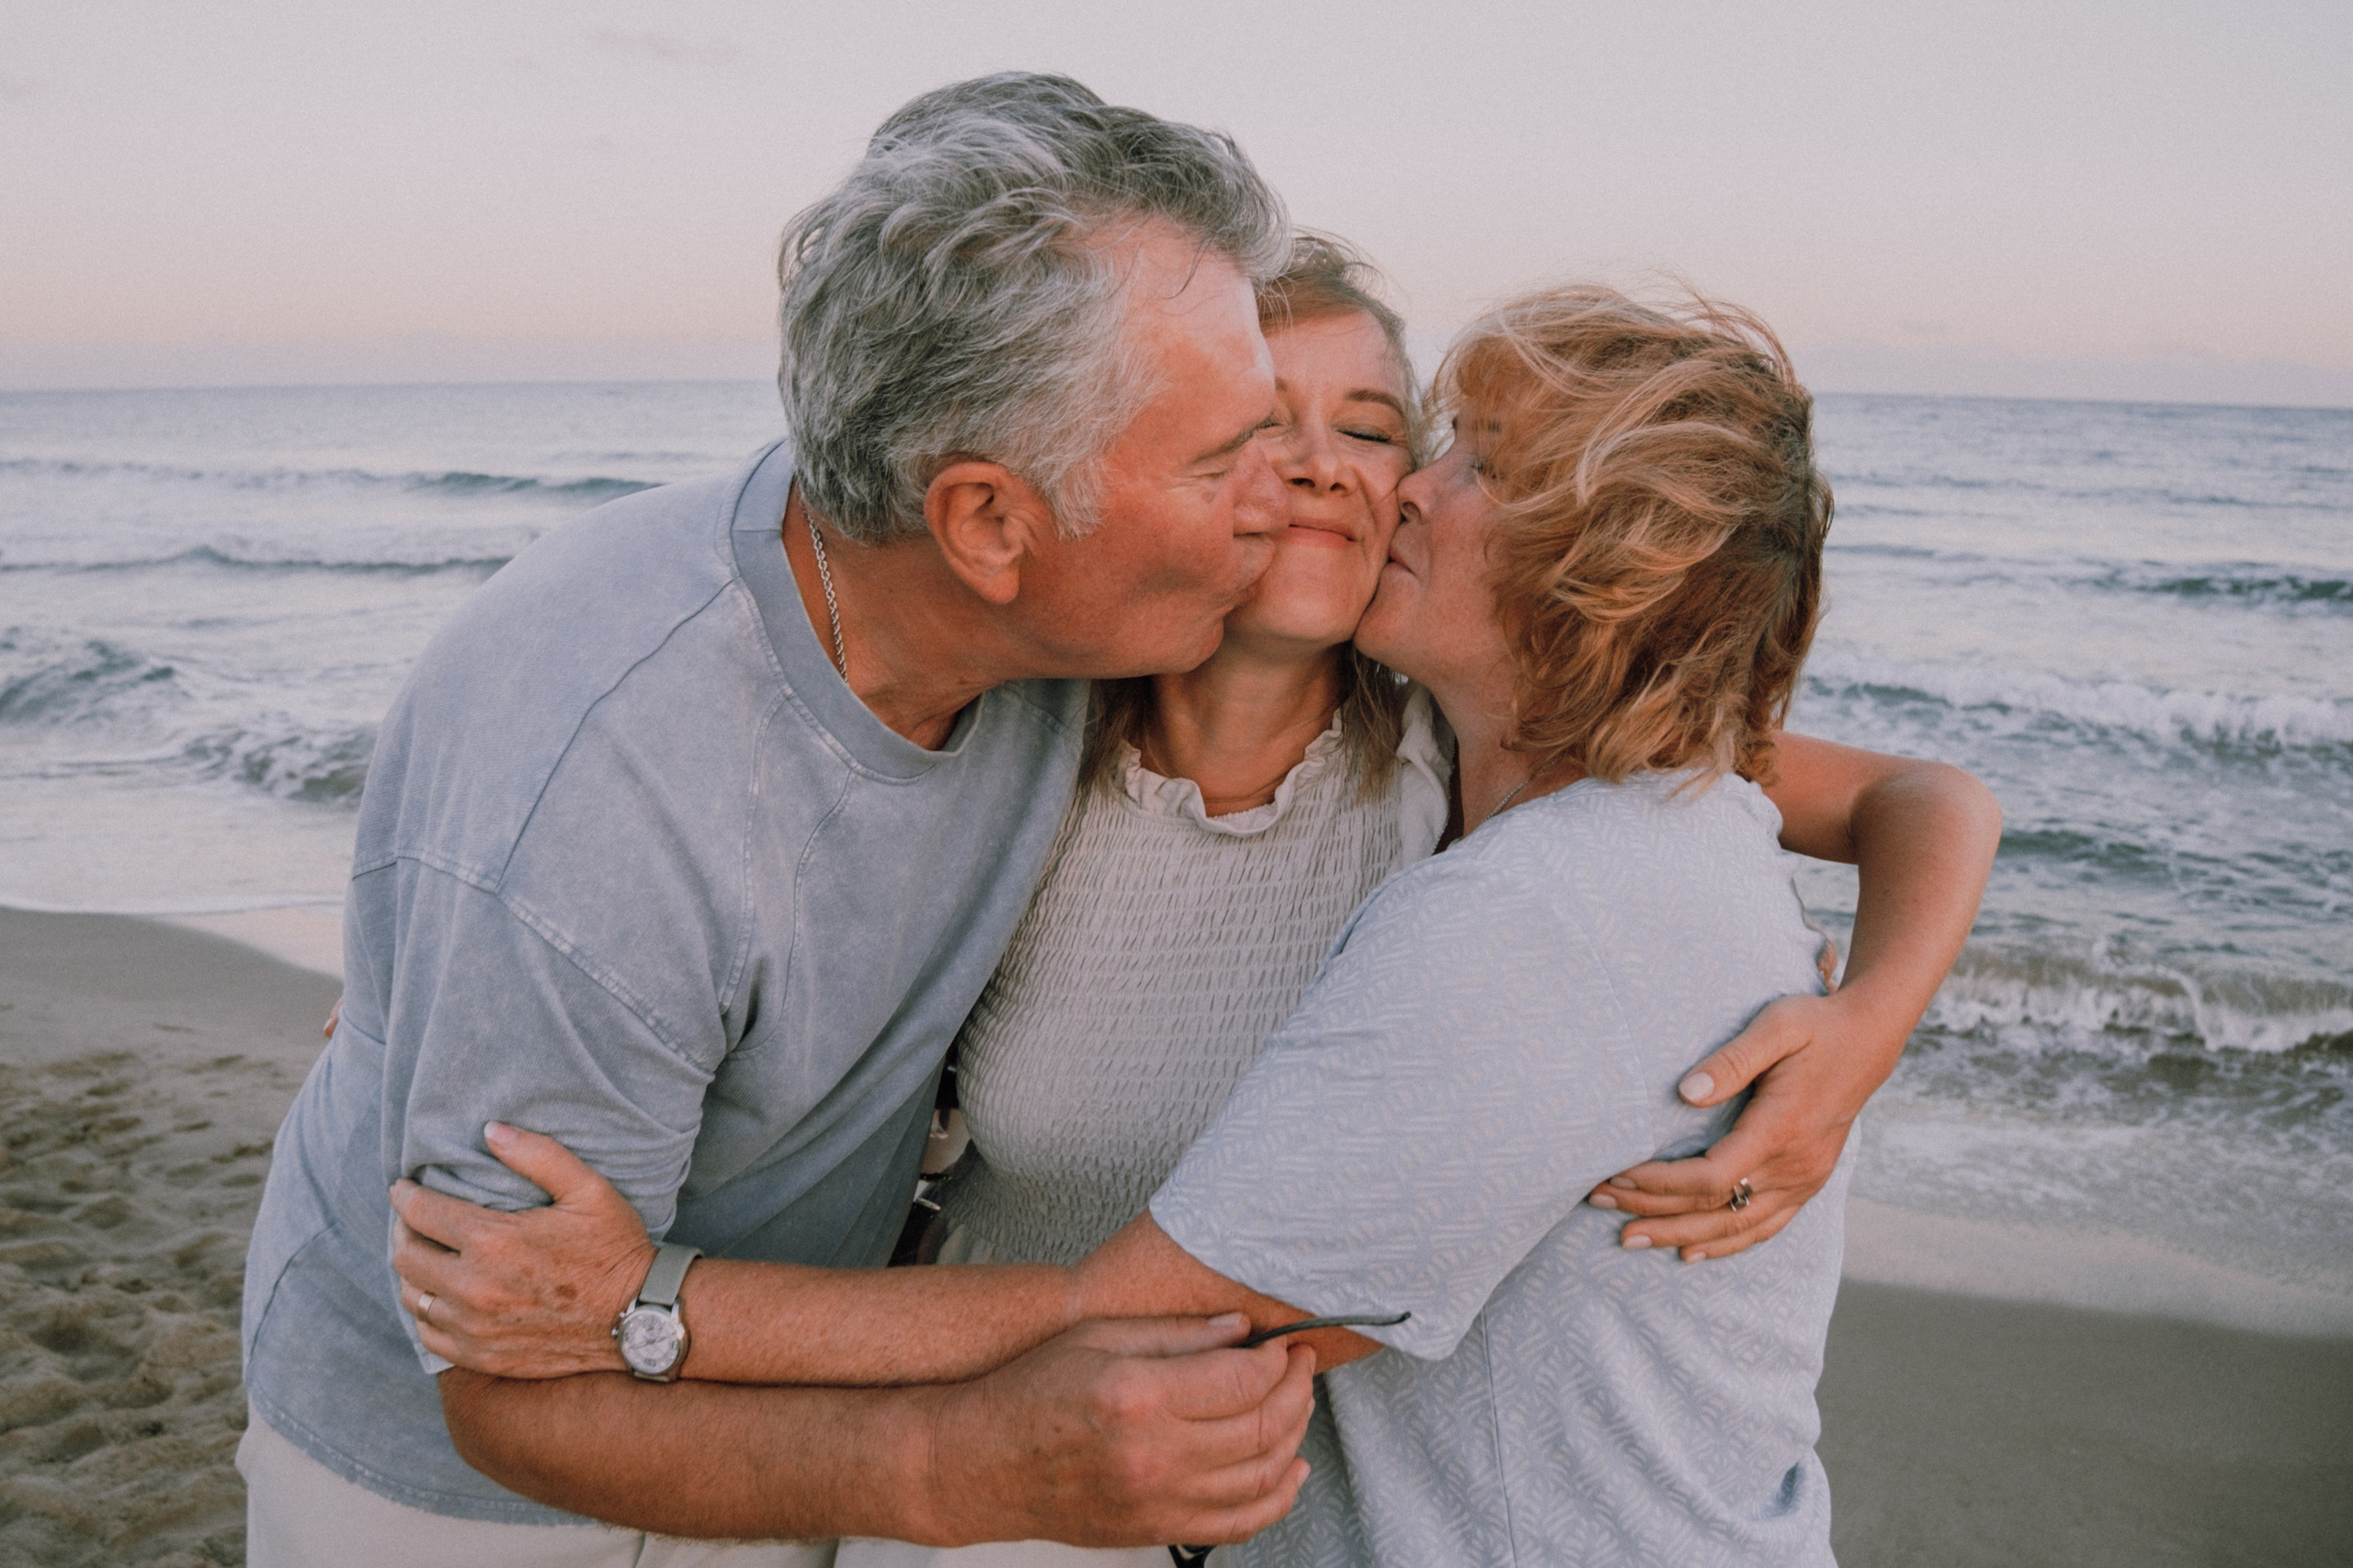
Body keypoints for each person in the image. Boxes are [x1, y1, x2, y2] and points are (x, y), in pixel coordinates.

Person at [391, 279, 2000, 1567]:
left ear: (1600, 582)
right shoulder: (1641, 804)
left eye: (1464, 460)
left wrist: (644, 1304)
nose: (1399, 487)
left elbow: (1164, 1315)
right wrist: (486, 977)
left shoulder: (1535, 895)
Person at [237, 72, 1325, 1567]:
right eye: (1225, 462)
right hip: (458, 1487)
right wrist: (965, 1469)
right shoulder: (612, 795)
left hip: (778, 1369)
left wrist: (1754, 991)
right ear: (989, 523)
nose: (1292, 495)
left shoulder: (1103, 602)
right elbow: (506, 1383)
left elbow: (1593, 698)